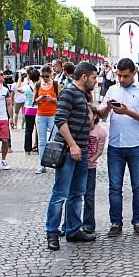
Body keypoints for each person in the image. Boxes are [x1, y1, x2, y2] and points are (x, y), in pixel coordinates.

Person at [97, 58, 139, 237]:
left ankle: (138, 221)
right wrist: (107, 107)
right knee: (114, 187)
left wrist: (127, 111)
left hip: (135, 145)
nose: (122, 79)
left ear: (134, 73)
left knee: (138, 186)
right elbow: (101, 115)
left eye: (126, 76)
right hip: (115, 145)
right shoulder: (112, 89)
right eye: (119, 75)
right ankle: (116, 222)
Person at [45, 62, 99, 251]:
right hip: (70, 151)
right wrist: (73, 144)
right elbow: (60, 120)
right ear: (84, 77)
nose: (95, 81)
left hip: (81, 150)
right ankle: (52, 232)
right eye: (93, 77)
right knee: (60, 193)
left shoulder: (83, 95)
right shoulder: (68, 92)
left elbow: (88, 124)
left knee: (77, 193)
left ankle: (73, 229)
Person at [84, 107, 107, 235]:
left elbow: (99, 150)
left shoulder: (101, 133)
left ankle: (88, 224)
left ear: (95, 116)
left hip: (90, 167)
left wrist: (90, 160)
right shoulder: (80, 128)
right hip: (78, 165)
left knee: (89, 195)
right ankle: (68, 224)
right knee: (73, 195)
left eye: (89, 113)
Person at [34, 66, 59, 173]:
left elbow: (60, 101)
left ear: (51, 75)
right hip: (41, 115)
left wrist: (52, 99)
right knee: (42, 141)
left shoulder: (56, 85)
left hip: (53, 115)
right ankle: (42, 164)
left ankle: (54, 163)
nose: (44, 78)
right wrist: (39, 99)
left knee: (54, 139)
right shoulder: (38, 85)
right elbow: (33, 101)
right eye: (42, 76)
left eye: (47, 76)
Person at [23, 68, 38, 154]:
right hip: (38, 109)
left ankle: (27, 149)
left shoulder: (27, 87)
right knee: (38, 129)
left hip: (29, 109)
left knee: (28, 130)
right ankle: (38, 147)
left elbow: (19, 89)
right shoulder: (40, 86)